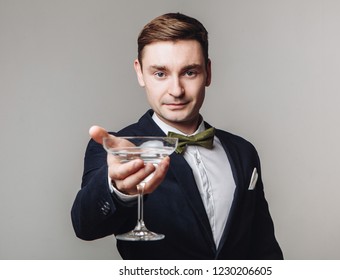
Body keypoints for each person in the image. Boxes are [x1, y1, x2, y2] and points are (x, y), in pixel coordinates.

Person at [71, 12, 283, 260]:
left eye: (189, 72)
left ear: (208, 72)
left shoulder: (243, 152)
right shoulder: (119, 150)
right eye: (160, 73)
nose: (176, 90)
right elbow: (85, 226)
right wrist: (118, 188)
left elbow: (264, 248)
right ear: (140, 73)